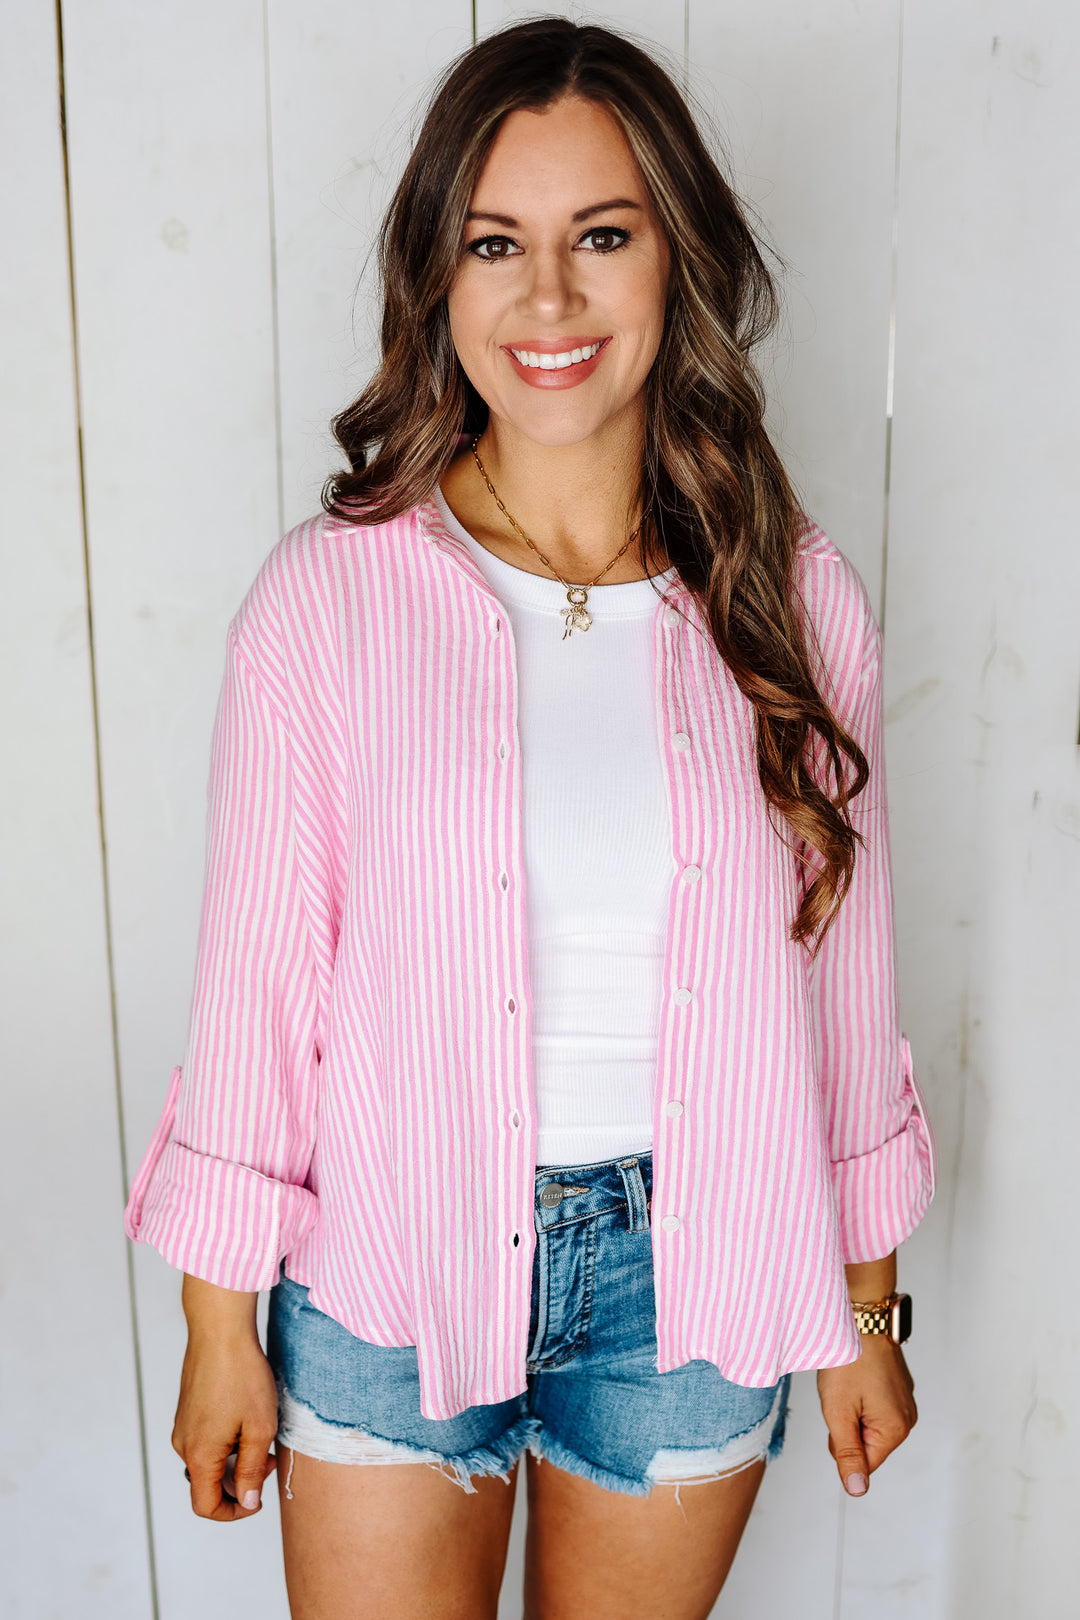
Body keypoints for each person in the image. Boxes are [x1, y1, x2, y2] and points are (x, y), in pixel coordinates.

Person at [124, 17, 936, 1619]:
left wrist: (865, 1308)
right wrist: (220, 1325)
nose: (548, 300)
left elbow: (844, 978)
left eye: (602, 237)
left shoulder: (791, 596)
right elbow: (257, 994)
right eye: (496, 243)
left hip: (697, 1288)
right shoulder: (327, 601)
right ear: (440, 274)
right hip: (388, 1267)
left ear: (676, 260)